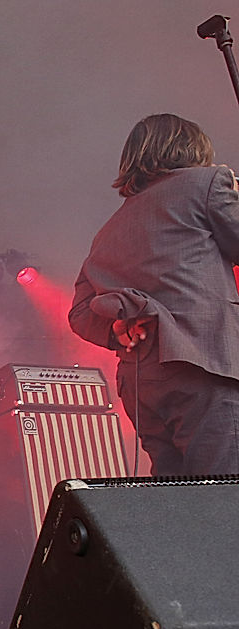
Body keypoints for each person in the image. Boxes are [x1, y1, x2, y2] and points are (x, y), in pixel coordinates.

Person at [69, 113, 239, 475]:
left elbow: (80, 313)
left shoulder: (107, 231)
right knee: (225, 498)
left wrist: (116, 330)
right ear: (192, 149)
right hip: (203, 363)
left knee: (174, 501)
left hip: (142, 383)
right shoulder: (207, 182)